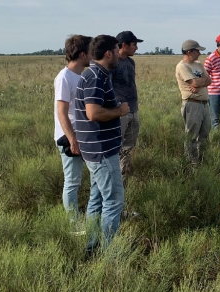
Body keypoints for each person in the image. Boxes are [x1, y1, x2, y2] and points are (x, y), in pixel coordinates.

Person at [75, 35, 130, 255]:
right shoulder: (95, 76)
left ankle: (91, 247)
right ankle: (111, 255)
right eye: (117, 50)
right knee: (114, 200)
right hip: (101, 151)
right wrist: (120, 111)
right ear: (108, 53)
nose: (119, 54)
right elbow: (93, 113)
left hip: (97, 149)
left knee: (96, 199)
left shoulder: (96, 74)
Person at [53, 34, 92, 234]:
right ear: (83, 54)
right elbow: (62, 112)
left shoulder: (82, 75)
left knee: (94, 178)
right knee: (73, 181)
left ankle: (93, 216)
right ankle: (73, 224)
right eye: (91, 51)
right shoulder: (64, 77)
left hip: (84, 136)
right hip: (70, 138)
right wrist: (72, 139)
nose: (93, 55)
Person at [175, 39, 211, 164]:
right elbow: (196, 82)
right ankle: (192, 163)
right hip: (192, 104)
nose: (199, 53)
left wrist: (198, 83)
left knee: (204, 135)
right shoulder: (182, 66)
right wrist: (200, 82)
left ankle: (202, 160)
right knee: (191, 136)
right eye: (197, 51)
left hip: (204, 104)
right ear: (189, 52)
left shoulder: (198, 64)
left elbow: (209, 80)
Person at [112, 31, 143, 176]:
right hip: (120, 112)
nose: (136, 48)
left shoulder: (131, 62)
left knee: (128, 146)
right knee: (116, 146)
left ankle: (124, 172)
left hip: (133, 110)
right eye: (134, 44)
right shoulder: (113, 62)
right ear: (124, 45)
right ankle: (116, 175)